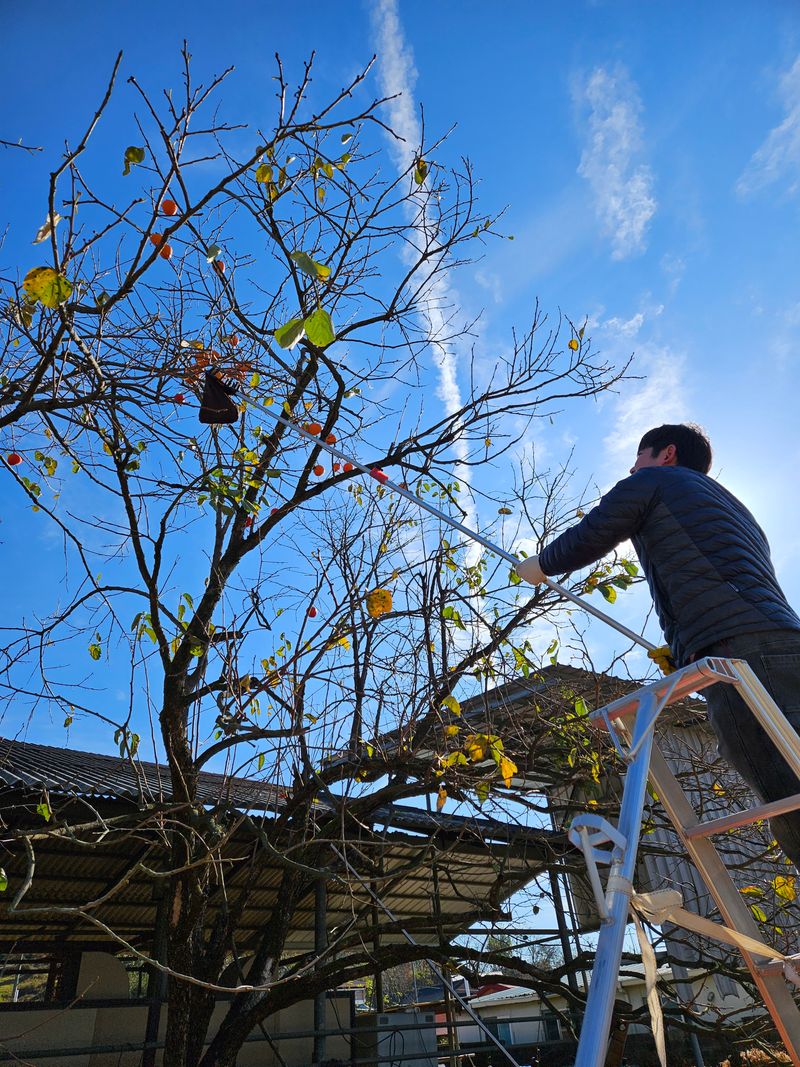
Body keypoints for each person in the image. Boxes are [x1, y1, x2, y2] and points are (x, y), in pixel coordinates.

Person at [515, 423, 800, 868]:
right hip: (782, 642)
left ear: (666, 454)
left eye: (639, 456)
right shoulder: (735, 507)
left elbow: (594, 532)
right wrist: (685, 647)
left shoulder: (653, 482)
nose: (632, 467)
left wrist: (542, 563)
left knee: (784, 788)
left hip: (735, 649)